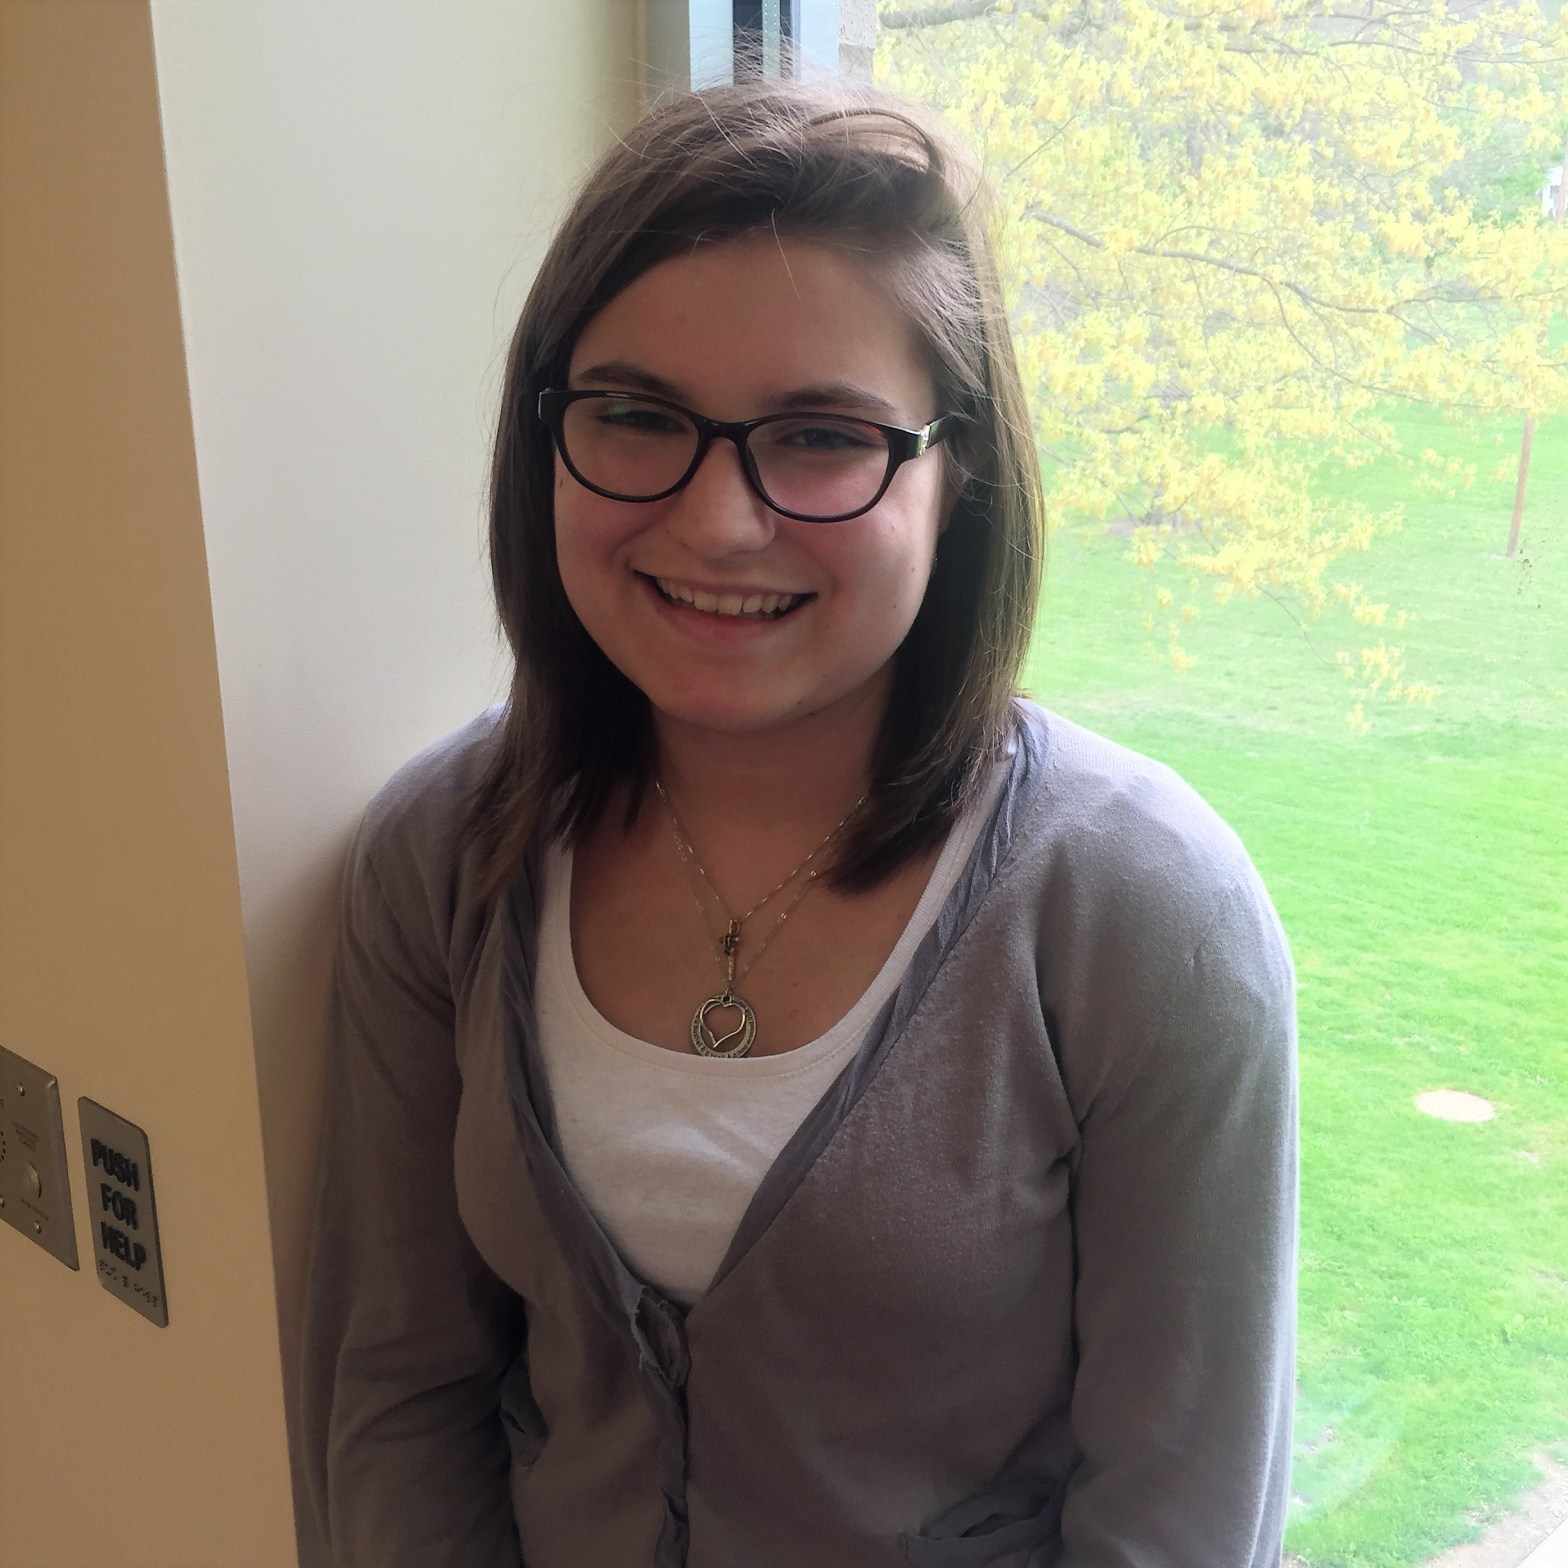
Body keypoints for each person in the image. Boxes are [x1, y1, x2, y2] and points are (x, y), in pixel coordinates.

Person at [300, 75, 1298, 1568]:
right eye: (637, 415)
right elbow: (398, 1397)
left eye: (823, 437)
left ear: (960, 472)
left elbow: (1181, 1511)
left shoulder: (1144, 911)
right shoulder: (441, 857)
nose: (716, 522)